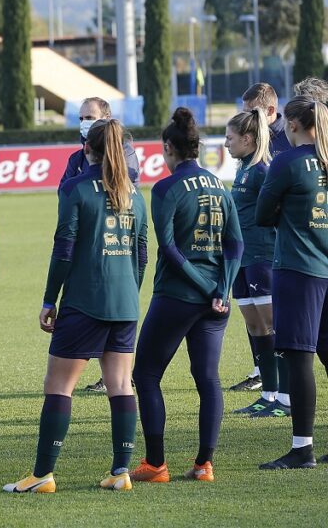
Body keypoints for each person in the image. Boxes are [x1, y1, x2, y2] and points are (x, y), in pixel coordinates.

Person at [4, 119, 147, 494]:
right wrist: (129, 292)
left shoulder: (76, 188)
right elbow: (142, 255)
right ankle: (121, 472)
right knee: (121, 385)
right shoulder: (135, 194)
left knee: (58, 385)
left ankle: (42, 474)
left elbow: (63, 250)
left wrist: (49, 299)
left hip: (85, 302)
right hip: (126, 304)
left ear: (87, 149)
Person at [130, 108, 242, 484]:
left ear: (168, 147)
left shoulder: (166, 188)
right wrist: (222, 289)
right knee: (208, 378)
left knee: (146, 373)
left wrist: (206, 287)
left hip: (178, 295)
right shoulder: (219, 185)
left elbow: (169, 248)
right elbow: (236, 244)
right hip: (217, 302)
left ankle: (156, 464)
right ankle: (204, 464)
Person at [255, 96, 328, 469]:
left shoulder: (287, 161)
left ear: (294, 124)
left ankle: (303, 449)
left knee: (299, 357)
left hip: (300, 268)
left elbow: (263, 214)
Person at [61, 97, 140, 395]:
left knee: (113, 300)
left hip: (114, 234)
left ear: (106, 117)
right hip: (87, 236)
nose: (84, 122)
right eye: (81, 117)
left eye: (90, 117)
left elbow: (126, 182)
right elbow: (64, 190)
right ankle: (112, 375)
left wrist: (87, 190)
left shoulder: (124, 150)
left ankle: (120, 374)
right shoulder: (77, 156)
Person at [224, 110, 288, 418]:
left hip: (262, 256)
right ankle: (268, 394)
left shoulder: (263, 170)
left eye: (230, 138)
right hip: (242, 259)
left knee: (273, 327)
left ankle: (285, 398)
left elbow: (278, 212)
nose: (226, 143)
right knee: (255, 327)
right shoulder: (243, 169)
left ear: (247, 139)